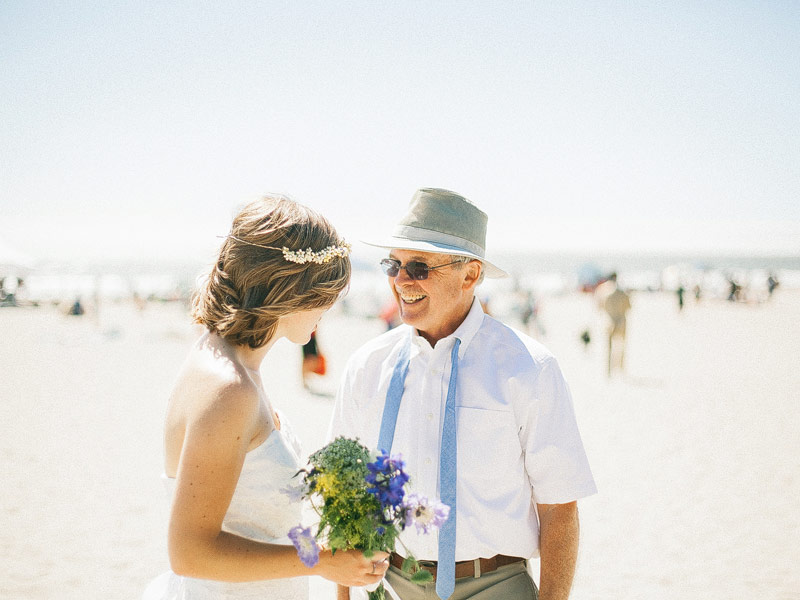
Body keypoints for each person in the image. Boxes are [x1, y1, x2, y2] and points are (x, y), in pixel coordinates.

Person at [329, 189, 596, 600]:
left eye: (419, 266)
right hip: (390, 585)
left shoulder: (529, 369)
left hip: (496, 586)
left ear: (470, 275)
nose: (401, 280)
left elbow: (559, 507)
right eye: (393, 264)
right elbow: (346, 494)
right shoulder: (366, 367)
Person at [143, 194, 389, 600]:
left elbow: (249, 521)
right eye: (324, 295)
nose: (328, 309)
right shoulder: (228, 389)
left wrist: (335, 546)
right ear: (289, 291)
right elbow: (189, 553)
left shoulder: (234, 365)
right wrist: (322, 561)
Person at [595, 273, 631, 376]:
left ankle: (608, 371)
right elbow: (629, 307)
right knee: (621, 347)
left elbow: (599, 307)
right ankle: (621, 369)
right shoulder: (622, 292)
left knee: (608, 348)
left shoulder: (603, 290)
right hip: (621, 322)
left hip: (608, 321)